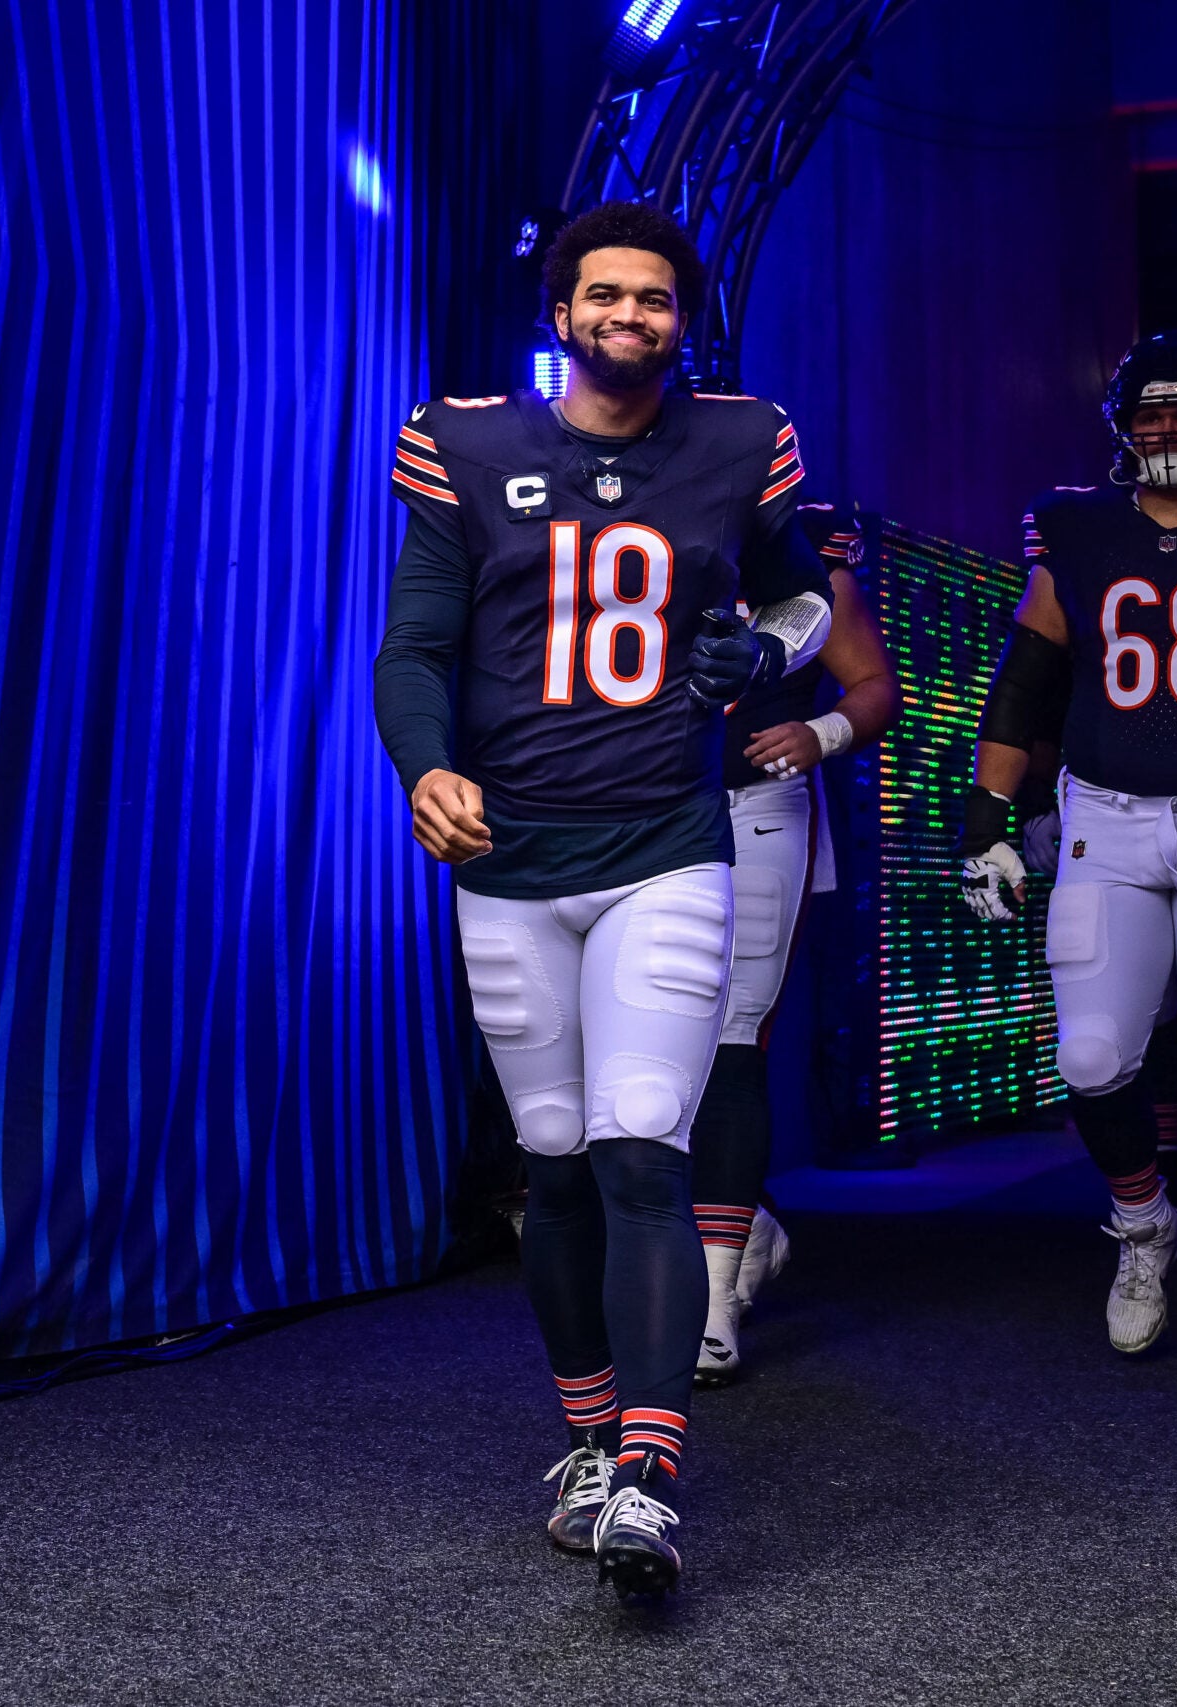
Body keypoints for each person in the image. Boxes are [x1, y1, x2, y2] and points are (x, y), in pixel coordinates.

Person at [372, 201, 833, 1602]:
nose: (630, 316)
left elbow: (806, 605)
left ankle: (647, 1469)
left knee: (645, 1147)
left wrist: (752, 652)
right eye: (606, 295)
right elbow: (415, 647)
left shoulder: (741, 444)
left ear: (680, 320)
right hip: (511, 866)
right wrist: (426, 766)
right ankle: (585, 1435)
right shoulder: (472, 444)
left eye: (653, 299)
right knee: (555, 1165)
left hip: (666, 847)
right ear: (562, 312)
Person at [959, 332, 1177, 1392]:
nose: (1165, 430)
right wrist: (987, 816)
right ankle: (1145, 1222)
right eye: (1146, 413)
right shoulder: (1077, 528)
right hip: (1108, 816)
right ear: (1120, 426)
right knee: (1092, 1058)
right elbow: (1029, 680)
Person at [691, 504, 901, 1384]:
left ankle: (710, 1305)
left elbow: (874, 685)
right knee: (652, 1051)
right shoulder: (639, 516)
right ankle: (751, 1221)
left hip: (755, 810)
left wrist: (818, 734)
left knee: (734, 1039)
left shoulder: (807, 549)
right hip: (640, 809)